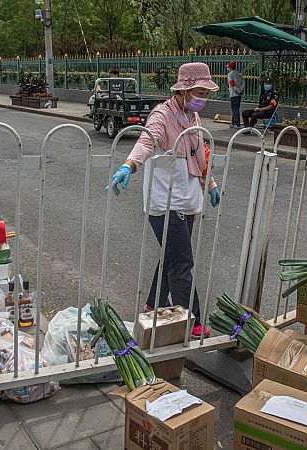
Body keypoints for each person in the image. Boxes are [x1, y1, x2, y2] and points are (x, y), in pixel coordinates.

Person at [109, 62, 220, 338]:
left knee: (172, 255)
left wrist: (211, 184)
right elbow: (147, 141)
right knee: (182, 260)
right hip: (165, 202)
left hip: (187, 200)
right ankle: (188, 319)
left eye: (206, 93)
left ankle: (154, 304)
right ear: (183, 90)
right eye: (199, 92)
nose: (202, 99)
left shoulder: (192, 119)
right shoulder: (163, 114)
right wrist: (129, 165)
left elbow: (201, 155)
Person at [227, 61, 245, 128]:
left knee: (234, 109)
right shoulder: (239, 74)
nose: (227, 68)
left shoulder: (230, 74)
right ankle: (234, 123)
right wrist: (240, 90)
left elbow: (232, 84)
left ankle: (236, 123)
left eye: (228, 67)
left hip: (233, 94)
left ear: (230, 67)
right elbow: (243, 82)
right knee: (237, 108)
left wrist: (237, 90)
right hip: (239, 94)